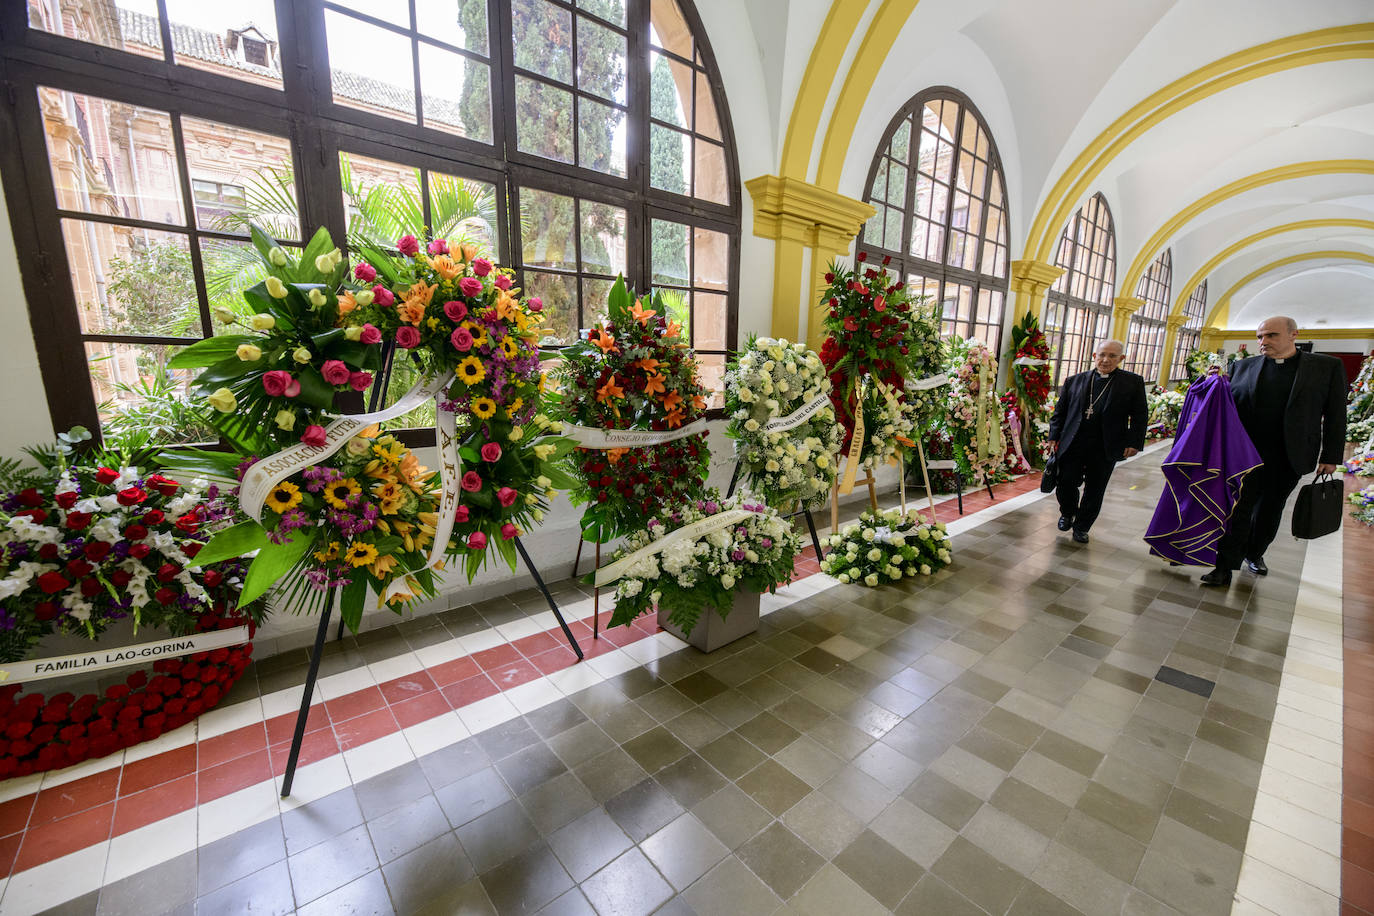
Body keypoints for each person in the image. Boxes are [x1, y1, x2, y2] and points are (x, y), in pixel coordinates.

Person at [1199, 316, 1346, 586]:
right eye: (1260, 336)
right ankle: (1224, 566)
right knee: (1238, 510)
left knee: (1270, 509)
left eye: (1271, 335)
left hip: (1290, 455)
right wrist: (1212, 385)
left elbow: (1337, 414)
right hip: (1246, 454)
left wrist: (1331, 456)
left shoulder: (1326, 367)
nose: (1263, 341)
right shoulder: (1243, 366)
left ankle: (1255, 553)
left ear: (1293, 335)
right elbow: (1227, 405)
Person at [1047, 340, 1149, 543]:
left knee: (1095, 488)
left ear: (1121, 359)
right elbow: (1060, 412)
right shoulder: (1074, 380)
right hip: (1073, 442)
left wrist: (1134, 442)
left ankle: (1082, 527)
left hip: (1105, 445)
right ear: (1094, 356)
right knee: (1065, 482)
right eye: (1102, 355)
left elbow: (1140, 415)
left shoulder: (1132, 383)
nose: (1105, 360)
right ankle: (1068, 512)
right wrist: (1053, 436)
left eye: (1112, 356)